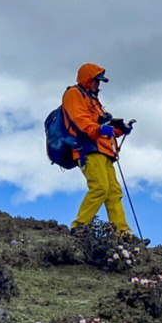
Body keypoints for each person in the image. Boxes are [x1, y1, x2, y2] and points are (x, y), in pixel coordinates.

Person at [63, 63, 132, 235]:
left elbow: (102, 127)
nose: (98, 84)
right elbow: (81, 121)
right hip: (87, 149)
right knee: (100, 187)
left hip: (104, 151)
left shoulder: (93, 100)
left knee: (114, 192)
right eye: (96, 80)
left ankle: (123, 234)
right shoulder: (74, 94)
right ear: (87, 79)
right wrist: (100, 129)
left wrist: (119, 130)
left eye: (99, 82)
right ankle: (79, 227)